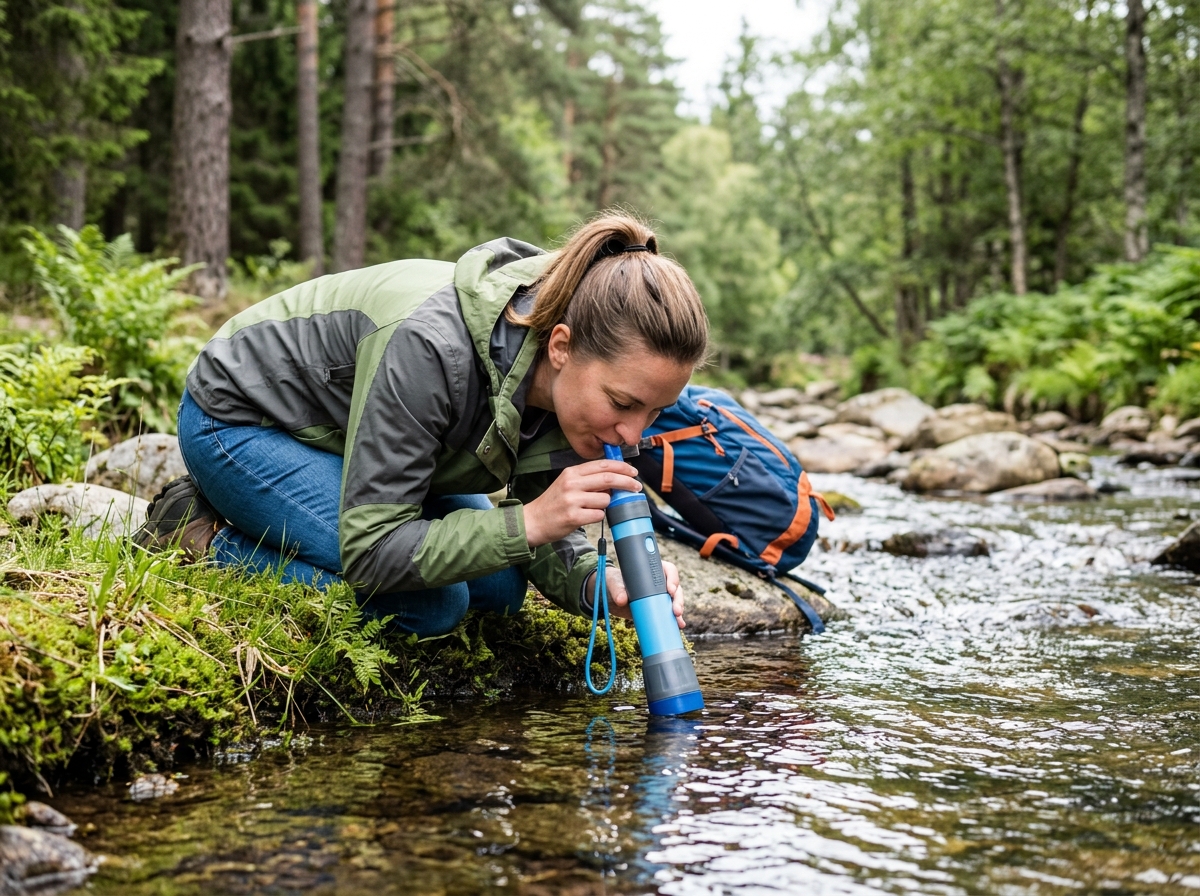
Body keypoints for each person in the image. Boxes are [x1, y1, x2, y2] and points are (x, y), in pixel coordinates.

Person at [134, 213, 709, 638]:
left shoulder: (570, 381)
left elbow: (541, 522)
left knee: (500, 590)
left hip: (354, 443)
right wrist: (530, 521)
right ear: (561, 346)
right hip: (243, 420)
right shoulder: (430, 348)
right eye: (623, 403)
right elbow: (375, 549)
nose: (633, 434)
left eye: (653, 412)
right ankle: (198, 533)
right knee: (430, 606)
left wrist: (598, 584)